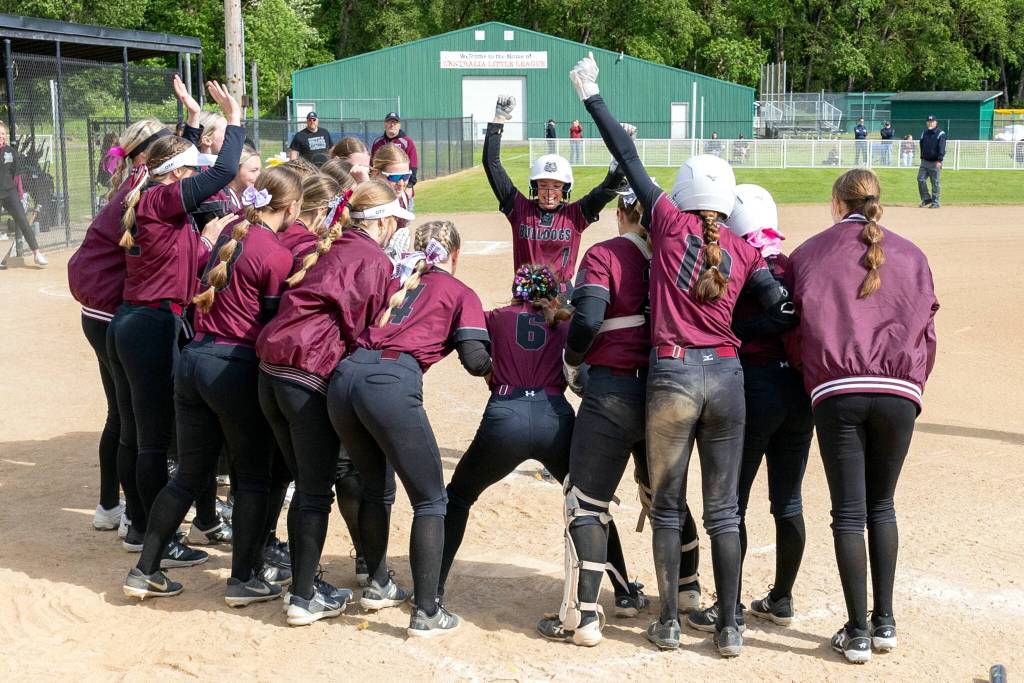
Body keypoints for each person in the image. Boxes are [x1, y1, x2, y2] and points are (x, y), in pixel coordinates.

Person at [570, 51, 796, 657]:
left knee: (667, 507)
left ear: (686, 192)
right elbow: (778, 309)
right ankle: (729, 627)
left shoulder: (666, 222)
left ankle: (668, 621)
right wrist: (736, 329)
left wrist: (593, 95)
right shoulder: (746, 250)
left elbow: (627, 157)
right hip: (727, 376)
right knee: (724, 511)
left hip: (670, 373)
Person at [122, 166, 302, 604]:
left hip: (194, 359)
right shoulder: (275, 253)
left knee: (188, 474)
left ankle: (144, 570)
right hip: (231, 366)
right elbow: (274, 325)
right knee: (252, 477)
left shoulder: (231, 234)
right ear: (293, 207)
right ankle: (243, 578)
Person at [439, 264, 646, 634]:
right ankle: (625, 592)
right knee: (591, 503)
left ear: (516, 290)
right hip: (555, 418)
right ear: (552, 294)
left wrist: (491, 370)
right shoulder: (564, 323)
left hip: (504, 416)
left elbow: (471, 347)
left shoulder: (495, 317)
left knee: (458, 497)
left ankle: (432, 590)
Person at [784, 168, 938, 663]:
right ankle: (885, 622)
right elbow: (927, 331)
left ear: (836, 202)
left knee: (848, 513)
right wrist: (912, 386)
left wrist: (811, 375)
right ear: (879, 202)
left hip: (837, 392)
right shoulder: (912, 253)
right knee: (882, 506)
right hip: (899, 393)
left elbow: (794, 330)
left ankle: (855, 632)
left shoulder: (808, 253)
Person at [536, 187, 701, 648]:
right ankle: (687, 591)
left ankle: (584, 616)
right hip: (669, 386)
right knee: (665, 500)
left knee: (586, 502)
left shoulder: (606, 253)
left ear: (620, 212)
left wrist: (571, 361)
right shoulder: (677, 254)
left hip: (612, 388)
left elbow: (588, 321)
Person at [327, 220, 491, 638]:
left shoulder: (395, 277)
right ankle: (427, 611)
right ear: (453, 255)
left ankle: (378, 582)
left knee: (376, 487)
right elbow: (475, 360)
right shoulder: (458, 291)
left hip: (344, 379)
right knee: (431, 501)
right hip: (390, 382)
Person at [256, 180, 404, 626]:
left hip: (272, 368)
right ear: (380, 221)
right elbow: (368, 329)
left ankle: (304, 583)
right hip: (305, 371)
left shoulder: (332, 242)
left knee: (308, 482)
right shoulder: (372, 256)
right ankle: (303, 597)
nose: (395, 228)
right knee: (316, 488)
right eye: (394, 220)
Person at [106, 81, 241, 563]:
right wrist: (235, 115)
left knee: (149, 436)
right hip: (151, 325)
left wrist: (191, 115)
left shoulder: (155, 196)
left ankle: (145, 528)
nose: (195, 177)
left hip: (138, 321)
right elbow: (224, 168)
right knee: (154, 441)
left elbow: (180, 160)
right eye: (189, 171)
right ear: (175, 173)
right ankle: (147, 532)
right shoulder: (163, 199)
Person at [686, 184, 814, 633]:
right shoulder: (794, 262)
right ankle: (781, 598)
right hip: (799, 392)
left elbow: (777, 316)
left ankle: (731, 605)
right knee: (788, 501)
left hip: (757, 388)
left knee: (732, 503)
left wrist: (739, 330)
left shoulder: (740, 257)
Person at [68, 119, 171, 535]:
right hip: (114, 315)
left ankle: (109, 504)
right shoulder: (142, 191)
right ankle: (132, 515)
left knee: (119, 415)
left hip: (100, 315)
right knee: (131, 421)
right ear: (146, 155)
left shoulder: (135, 180)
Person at [484, 95, 623, 285]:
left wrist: (623, 147)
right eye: (543, 185)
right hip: (525, 296)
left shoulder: (575, 215)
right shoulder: (519, 209)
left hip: (562, 299)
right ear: (534, 186)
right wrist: (498, 118)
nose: (549, 192)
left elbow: (607, 189)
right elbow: (491, 164)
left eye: (556, 186)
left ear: (565, 188)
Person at [0, 121, 47, 267]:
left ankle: (37, 253)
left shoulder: (10, 152)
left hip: (10, 192)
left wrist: (20, 193)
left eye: (3, 133)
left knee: (23, 221)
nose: (1, 136)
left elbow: (17, 175)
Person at [370, 144, 414, 256]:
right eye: (394, 177)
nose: (401, 183)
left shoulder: (403, 197)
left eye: (405, 176)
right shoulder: (366, 203)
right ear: (376, 173)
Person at [371, 112, 418, 189]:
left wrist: (410, 186)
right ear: (385, 124)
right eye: (389, 122)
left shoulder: (407, 142)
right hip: (381, 186)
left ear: (399, 125)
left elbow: (413, 165)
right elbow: (372, 165)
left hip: (401, 185)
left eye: (395, 122)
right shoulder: (378, 142)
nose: (392, 125)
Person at [918, 115, 946, 208]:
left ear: (935, 123)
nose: (930, 123)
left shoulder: (940, 133)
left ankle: (936, 202)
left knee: (935, 182)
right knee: (920, 179)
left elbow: (942, 148)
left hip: (935, 162)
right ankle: (926, 199)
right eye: (928, 122)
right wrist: (922, 157)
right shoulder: (924, 133)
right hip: (925, 161)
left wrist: (940, 160)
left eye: (932, 121)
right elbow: (921, 145)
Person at [226, 146, 262, 210]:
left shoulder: (257, 196)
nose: (259, 175)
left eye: (260, 170)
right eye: (253, 170)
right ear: (235, 169)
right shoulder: (222, 198)